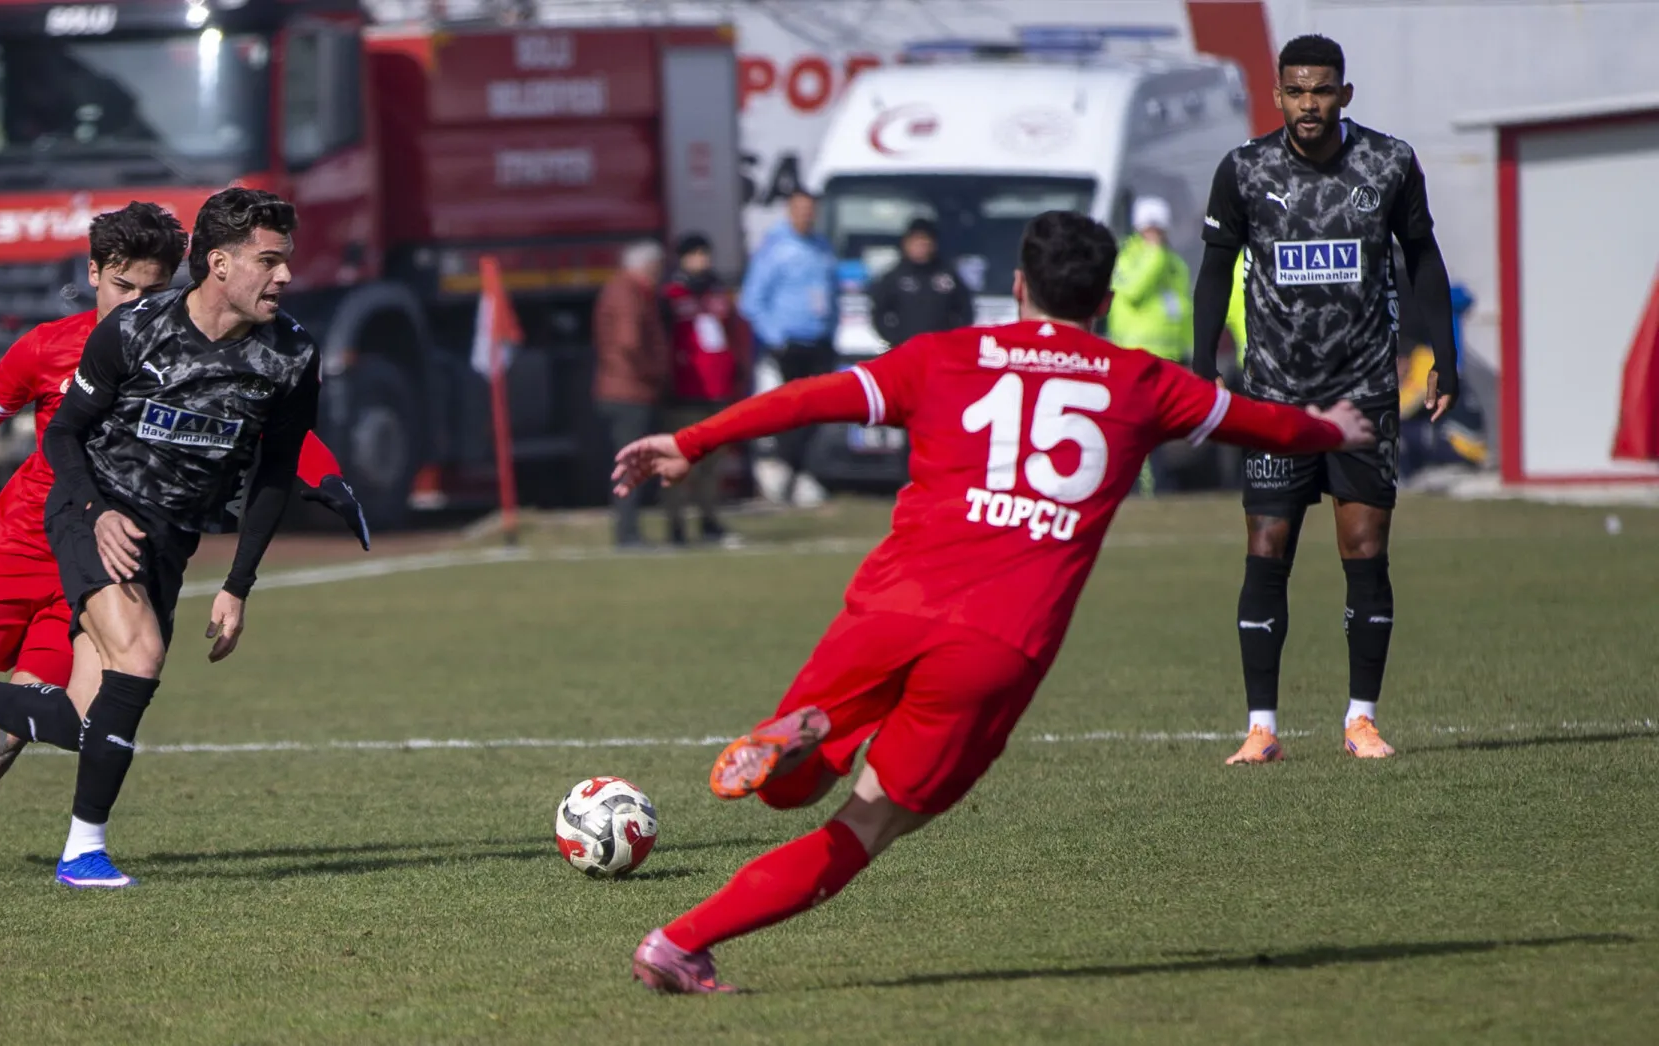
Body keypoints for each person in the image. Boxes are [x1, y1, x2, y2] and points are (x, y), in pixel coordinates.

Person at [611, 211, 1376, 993]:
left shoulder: (942, 357)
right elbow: (1262, 426)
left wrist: (692, 442)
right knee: (869, 823)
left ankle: (801, 744)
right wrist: (1331, 429)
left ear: (1017, 287)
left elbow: (809, 399)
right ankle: (679, 943)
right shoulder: (1141, 382)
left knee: (789, 791)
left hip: (887, 606)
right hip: (992, 642)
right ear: (1106, 300)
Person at [0, 203, 367, 881]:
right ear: (94, 275)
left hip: (133, 545)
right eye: (124, 288)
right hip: (33, 544)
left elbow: (258, 423)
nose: (137, 303)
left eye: (153, 290)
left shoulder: (246, 342)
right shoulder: (60, 345)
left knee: (53, 723)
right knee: (65, 683)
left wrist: (325, 480)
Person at [1189, 34, 1460, 765]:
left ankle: (1361, 720)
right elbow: (1215, 271)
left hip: (1365, 390)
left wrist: (1446, 359)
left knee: (1364, 549)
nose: (1310, 103)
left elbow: (1424, 259)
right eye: (1297, 90)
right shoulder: (1244, 170)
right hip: (1276, 398)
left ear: (1344, 94)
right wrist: (1200, 364)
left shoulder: (1389, 163)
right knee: (1266, 549)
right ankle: (1261, 728)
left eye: (1323, 90)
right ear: (1278, 95)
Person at [738, 190, 837, 504]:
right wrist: (776, 337)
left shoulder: (821, 247)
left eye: (811, 210)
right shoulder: (776, 248)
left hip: (818, 341)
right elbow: (751, 301)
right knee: (793, 411)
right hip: (789, 343)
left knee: (818, 412)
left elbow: (831, 294)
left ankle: (799, 472)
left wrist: (830, 332)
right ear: (789, 211)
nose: (806, 215)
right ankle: (787, 474)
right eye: (800, 209)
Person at [660, 232, 749, 546]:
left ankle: (709, 519)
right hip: (684, 390)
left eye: (705, 254)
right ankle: (676, 524)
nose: (702, 260)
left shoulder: (717, 293)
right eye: (695, 254)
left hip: (718, 389)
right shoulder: (670, 295)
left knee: (713, 464)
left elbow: (734, 332)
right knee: (681, 462)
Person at [1109, 197, 1195, 495]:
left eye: (1159, 228)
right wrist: (1154, 255)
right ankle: (1147, 488)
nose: (1155, 234)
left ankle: (1156, 483)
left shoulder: (1175, 263)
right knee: (1140, 425)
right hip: (1137, 355)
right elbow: (1133, 291)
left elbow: (1181, 310)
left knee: (1163, 428)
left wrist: (1186, 351)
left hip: (1171, 357)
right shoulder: (1128, 257)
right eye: (1150, 227)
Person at [593, 240, 671, 547]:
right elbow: (629, 342)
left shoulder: (620, 289)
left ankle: (629, 531)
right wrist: (655, 371)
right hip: (629, 392)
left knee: (630, 464)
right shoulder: (629, 293)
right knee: (631, 466)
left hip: (620, 389)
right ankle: (627, 533)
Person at [868, 217, 973, 347]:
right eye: (916, 242)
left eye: (925, 242)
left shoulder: (948, 275)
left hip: (941, 349)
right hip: (906, 350)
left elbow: (965, 309)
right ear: (906, 244)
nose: (921, 247)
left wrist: (953, 338)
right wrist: (894, 339)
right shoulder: (894, 277)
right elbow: (878, 312)